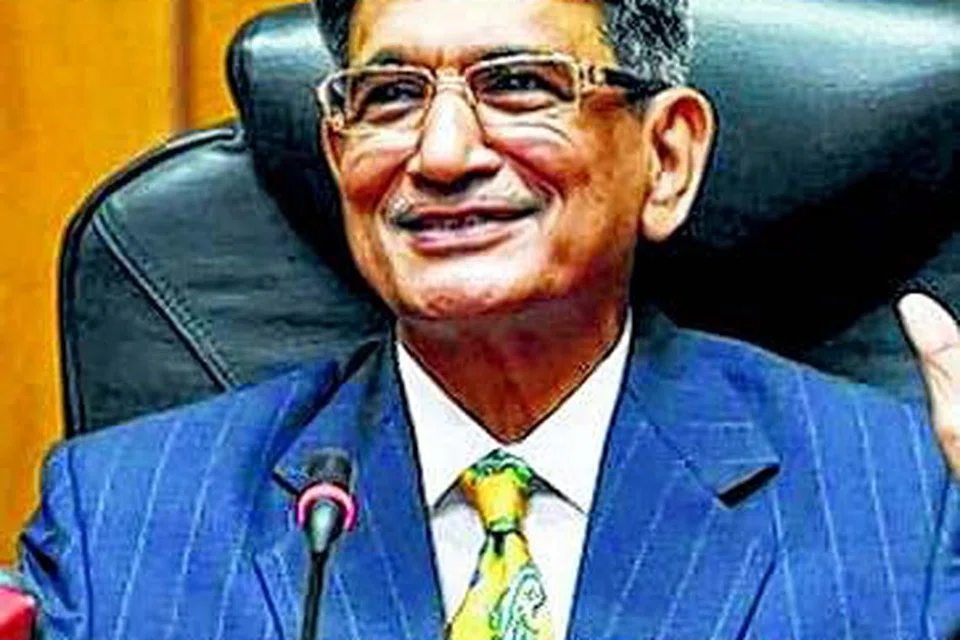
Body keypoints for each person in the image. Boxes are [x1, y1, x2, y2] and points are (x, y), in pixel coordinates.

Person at [17, 0, 960, 638]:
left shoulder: (910, 503)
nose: (441, 154)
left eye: (518, 84)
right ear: (338, 154)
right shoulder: (125, 521)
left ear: (667, 157)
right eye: (390, 97)